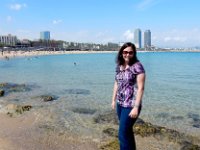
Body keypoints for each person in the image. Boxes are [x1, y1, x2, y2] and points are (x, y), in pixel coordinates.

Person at [111, 42, 145, 150]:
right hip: (120, 104)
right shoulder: (119, 66)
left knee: (122, 134)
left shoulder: (137, 66)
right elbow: (116, 82)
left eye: (130, 52)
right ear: (121, 53)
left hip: (131, 105)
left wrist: (136, 107)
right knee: (127, 132)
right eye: (125, 52)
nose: (127, 54)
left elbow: (141, 88)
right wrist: (113, 100)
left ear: (134, 53)